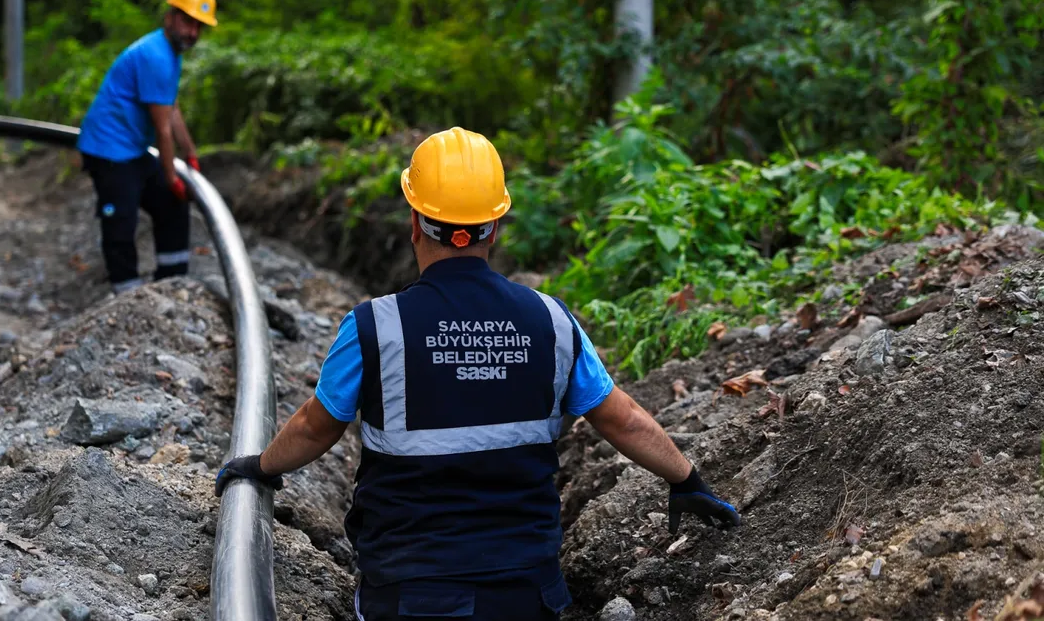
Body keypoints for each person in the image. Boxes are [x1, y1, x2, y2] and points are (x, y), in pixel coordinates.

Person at [214, 127, 741, 620]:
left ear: (415, 222)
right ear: (495, 227)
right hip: (526, 593)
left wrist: (260, 466)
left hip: (409, 591)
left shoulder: (375, 326)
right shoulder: (551, 321)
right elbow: (621, 418)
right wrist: (685, 478)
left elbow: (316, 426)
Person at [74, 0, 217, 294]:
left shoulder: (170, 53)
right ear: (170, 18)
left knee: (172, 205)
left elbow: (171, 107)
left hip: (134, 149)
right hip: (109, 149)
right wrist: (171, 177)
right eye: (187, 22)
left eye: (198, 26)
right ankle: (127, 294)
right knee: (121, 219)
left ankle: (172, 282)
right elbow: (162, 128)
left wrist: (191, 154)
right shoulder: (155, 56)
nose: (192, 32)